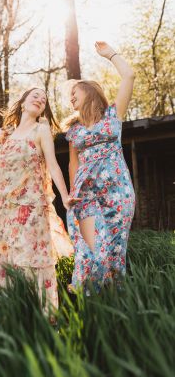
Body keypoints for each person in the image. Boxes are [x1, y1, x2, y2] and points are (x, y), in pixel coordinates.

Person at [0, 80, 78, 313]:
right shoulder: (7, 134)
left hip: (30, 208)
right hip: (2, 211)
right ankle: (8, 313)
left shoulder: (41, 130)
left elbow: (53, 165)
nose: (40, 99)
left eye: (44, 99)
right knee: (1, 259)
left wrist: (65, 196)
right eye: (35, 95)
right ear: (22, 103)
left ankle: (42, 316)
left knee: (31, 260)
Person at [64, 41, 135, 295]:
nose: (70, 96)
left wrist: (111, 54)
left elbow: (129, 75)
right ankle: (81, 289)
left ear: (90, 92)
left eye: (75, 91)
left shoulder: (112, 117)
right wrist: (73, 192)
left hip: (119, 193)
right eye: (69, 95)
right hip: (88, 196)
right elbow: (74, 162)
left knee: (116, 249)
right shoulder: (73, 130)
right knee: (92, 246)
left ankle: (112, 302)